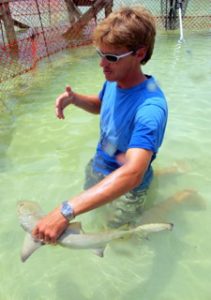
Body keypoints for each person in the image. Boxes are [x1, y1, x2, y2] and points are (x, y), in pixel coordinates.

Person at [32, 6, 168, 243]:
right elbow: (101, 104)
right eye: (101, 54)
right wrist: (75, 99)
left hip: (128, 189)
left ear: (139, 53)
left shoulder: (151, 108)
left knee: (120, 238)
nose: (102, 64)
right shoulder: (116, 80)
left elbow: (133, 173)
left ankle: (175, 200)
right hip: (99, 166)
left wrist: (66, 210)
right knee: (91, 215)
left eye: (112, 57)